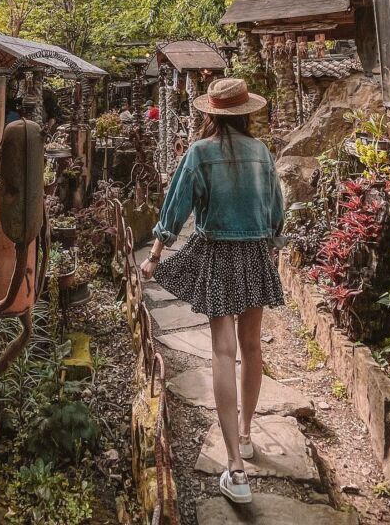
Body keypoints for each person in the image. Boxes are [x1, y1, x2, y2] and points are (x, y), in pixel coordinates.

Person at [140, 77, 284, 506]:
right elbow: (276, 209)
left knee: (223, 351)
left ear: (210, 114)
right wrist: (270, 246)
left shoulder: (200, 153)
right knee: (252, 347)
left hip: (218, 254)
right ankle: (246, 434)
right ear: (246, 113)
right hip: (256, 253)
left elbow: (176, 205)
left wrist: (156, 252)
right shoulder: (262, 153)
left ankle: (235, 465)